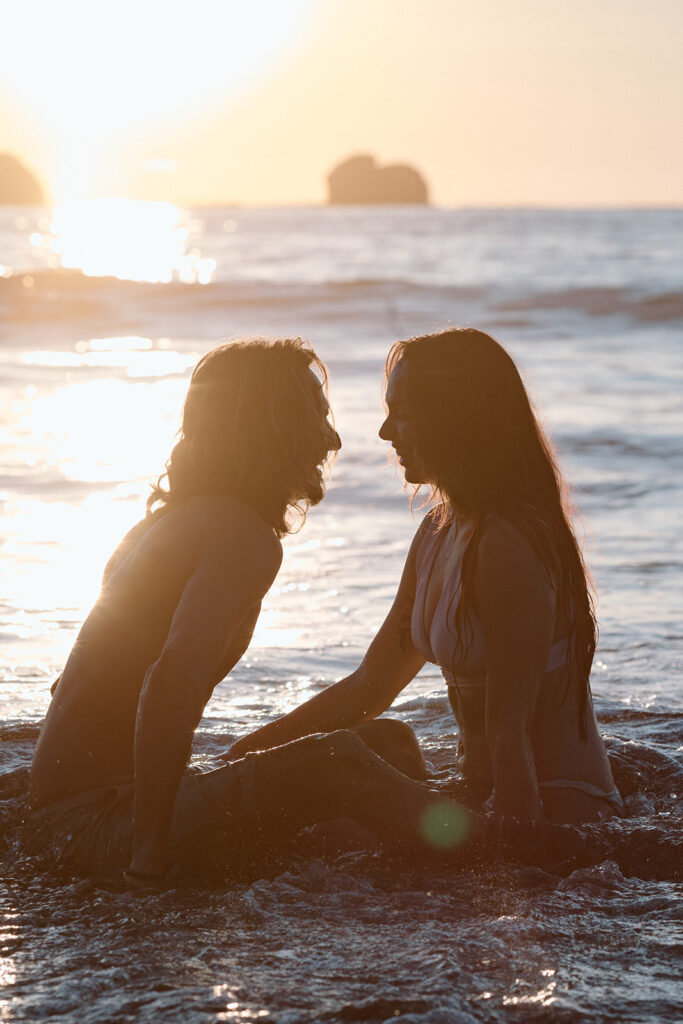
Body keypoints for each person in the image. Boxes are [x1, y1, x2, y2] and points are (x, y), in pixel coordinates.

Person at [27, 338, 468, 886]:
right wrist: (148, 859)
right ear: (270, 429)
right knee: (341, 764)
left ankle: (402, 872)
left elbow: (76, 692)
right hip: (103, 828)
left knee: (390, 746)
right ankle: (505, 854)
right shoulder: (242, 536)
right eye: (315, 416)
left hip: (63, 817)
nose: (330, 439)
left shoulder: (163, 525)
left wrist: (243, 758)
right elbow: (169, 684)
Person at [229, 329, 623, 825]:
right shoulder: (441, 529)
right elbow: (370, 686)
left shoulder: (508, 545)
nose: (384, 432)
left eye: (403, 413)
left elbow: (510, 734)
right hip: (485, 795)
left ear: (454, 418)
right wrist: (241, 755)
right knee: (375, 747)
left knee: (339, 793)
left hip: (561, 810)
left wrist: (513, 868)